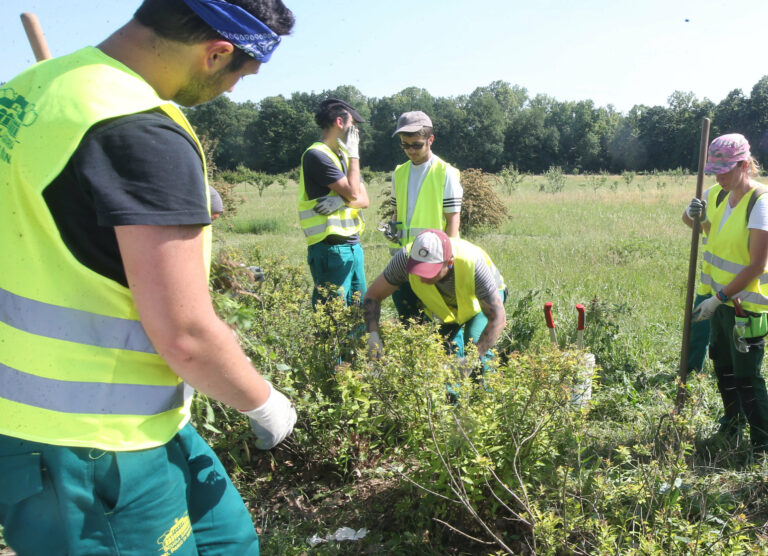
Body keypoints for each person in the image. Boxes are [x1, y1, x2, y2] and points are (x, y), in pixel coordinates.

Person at [0, 0, 297, 553]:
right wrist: (265, 403)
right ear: (217, 54)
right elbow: (185, 334)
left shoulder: (32, 89)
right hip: (87, 446)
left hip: (146, 422)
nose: (233, 91)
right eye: (240, 76)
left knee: (230, 541)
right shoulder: (137, 132)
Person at [681, 133, 768, 454]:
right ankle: (732, 422)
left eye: (726, 170)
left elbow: (756, 265)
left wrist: (718, 298)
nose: (719, 176)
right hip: (721, 302)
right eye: (715, 170)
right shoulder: (718, 194)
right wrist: (690, 211)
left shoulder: (762, 203)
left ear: (744, 165)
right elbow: (697, 225)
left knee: (747, 376)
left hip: (747, 307)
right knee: (722, 365)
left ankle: (762, 444)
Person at [362, 230, 507, 369]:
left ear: (449, 262)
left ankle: (484, 391)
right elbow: (373, 296)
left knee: (475, 344)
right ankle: (453, 394)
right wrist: (372, 336)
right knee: (444, 357)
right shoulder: (405, 259)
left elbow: (498, 318)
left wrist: (471, 361)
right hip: (444, 308)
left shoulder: (472, 262)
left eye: (430, 271)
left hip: (481, 302)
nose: (423, 277)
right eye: (419, 270)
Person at [385, 110, 464, 323]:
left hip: (434, 262)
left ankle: (455, 358)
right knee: (409, 322)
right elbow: (397, 213)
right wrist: (392, 228)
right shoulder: (399, 173)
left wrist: (447, 264)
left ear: (430, 140)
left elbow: (453, 220)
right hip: (403, 259)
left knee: (444, 323)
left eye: (416, 144)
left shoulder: (445, 172)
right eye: (405, 144)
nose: (410, 150)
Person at [300, 98, 370, 306]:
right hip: (330, 249)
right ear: (340, 122)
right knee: (332, 317)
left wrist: (341, 201)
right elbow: (352, 192)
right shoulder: (317, 156)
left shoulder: (345, 157)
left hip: (352, 246)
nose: (356, 131)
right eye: (353, 125)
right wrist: (355, 155)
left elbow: (364, 200)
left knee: (358, 314)